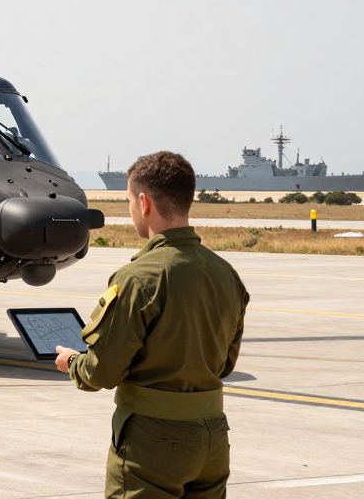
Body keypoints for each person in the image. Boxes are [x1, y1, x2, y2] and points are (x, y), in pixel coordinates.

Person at [54, 151, 249, 499]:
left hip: (152, 443)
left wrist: (72, 363)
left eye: (129, 201)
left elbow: (101, 372)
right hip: (212, 439)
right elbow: (225, 364)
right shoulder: (225, 273)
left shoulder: (139, 277)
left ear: (144, 203)